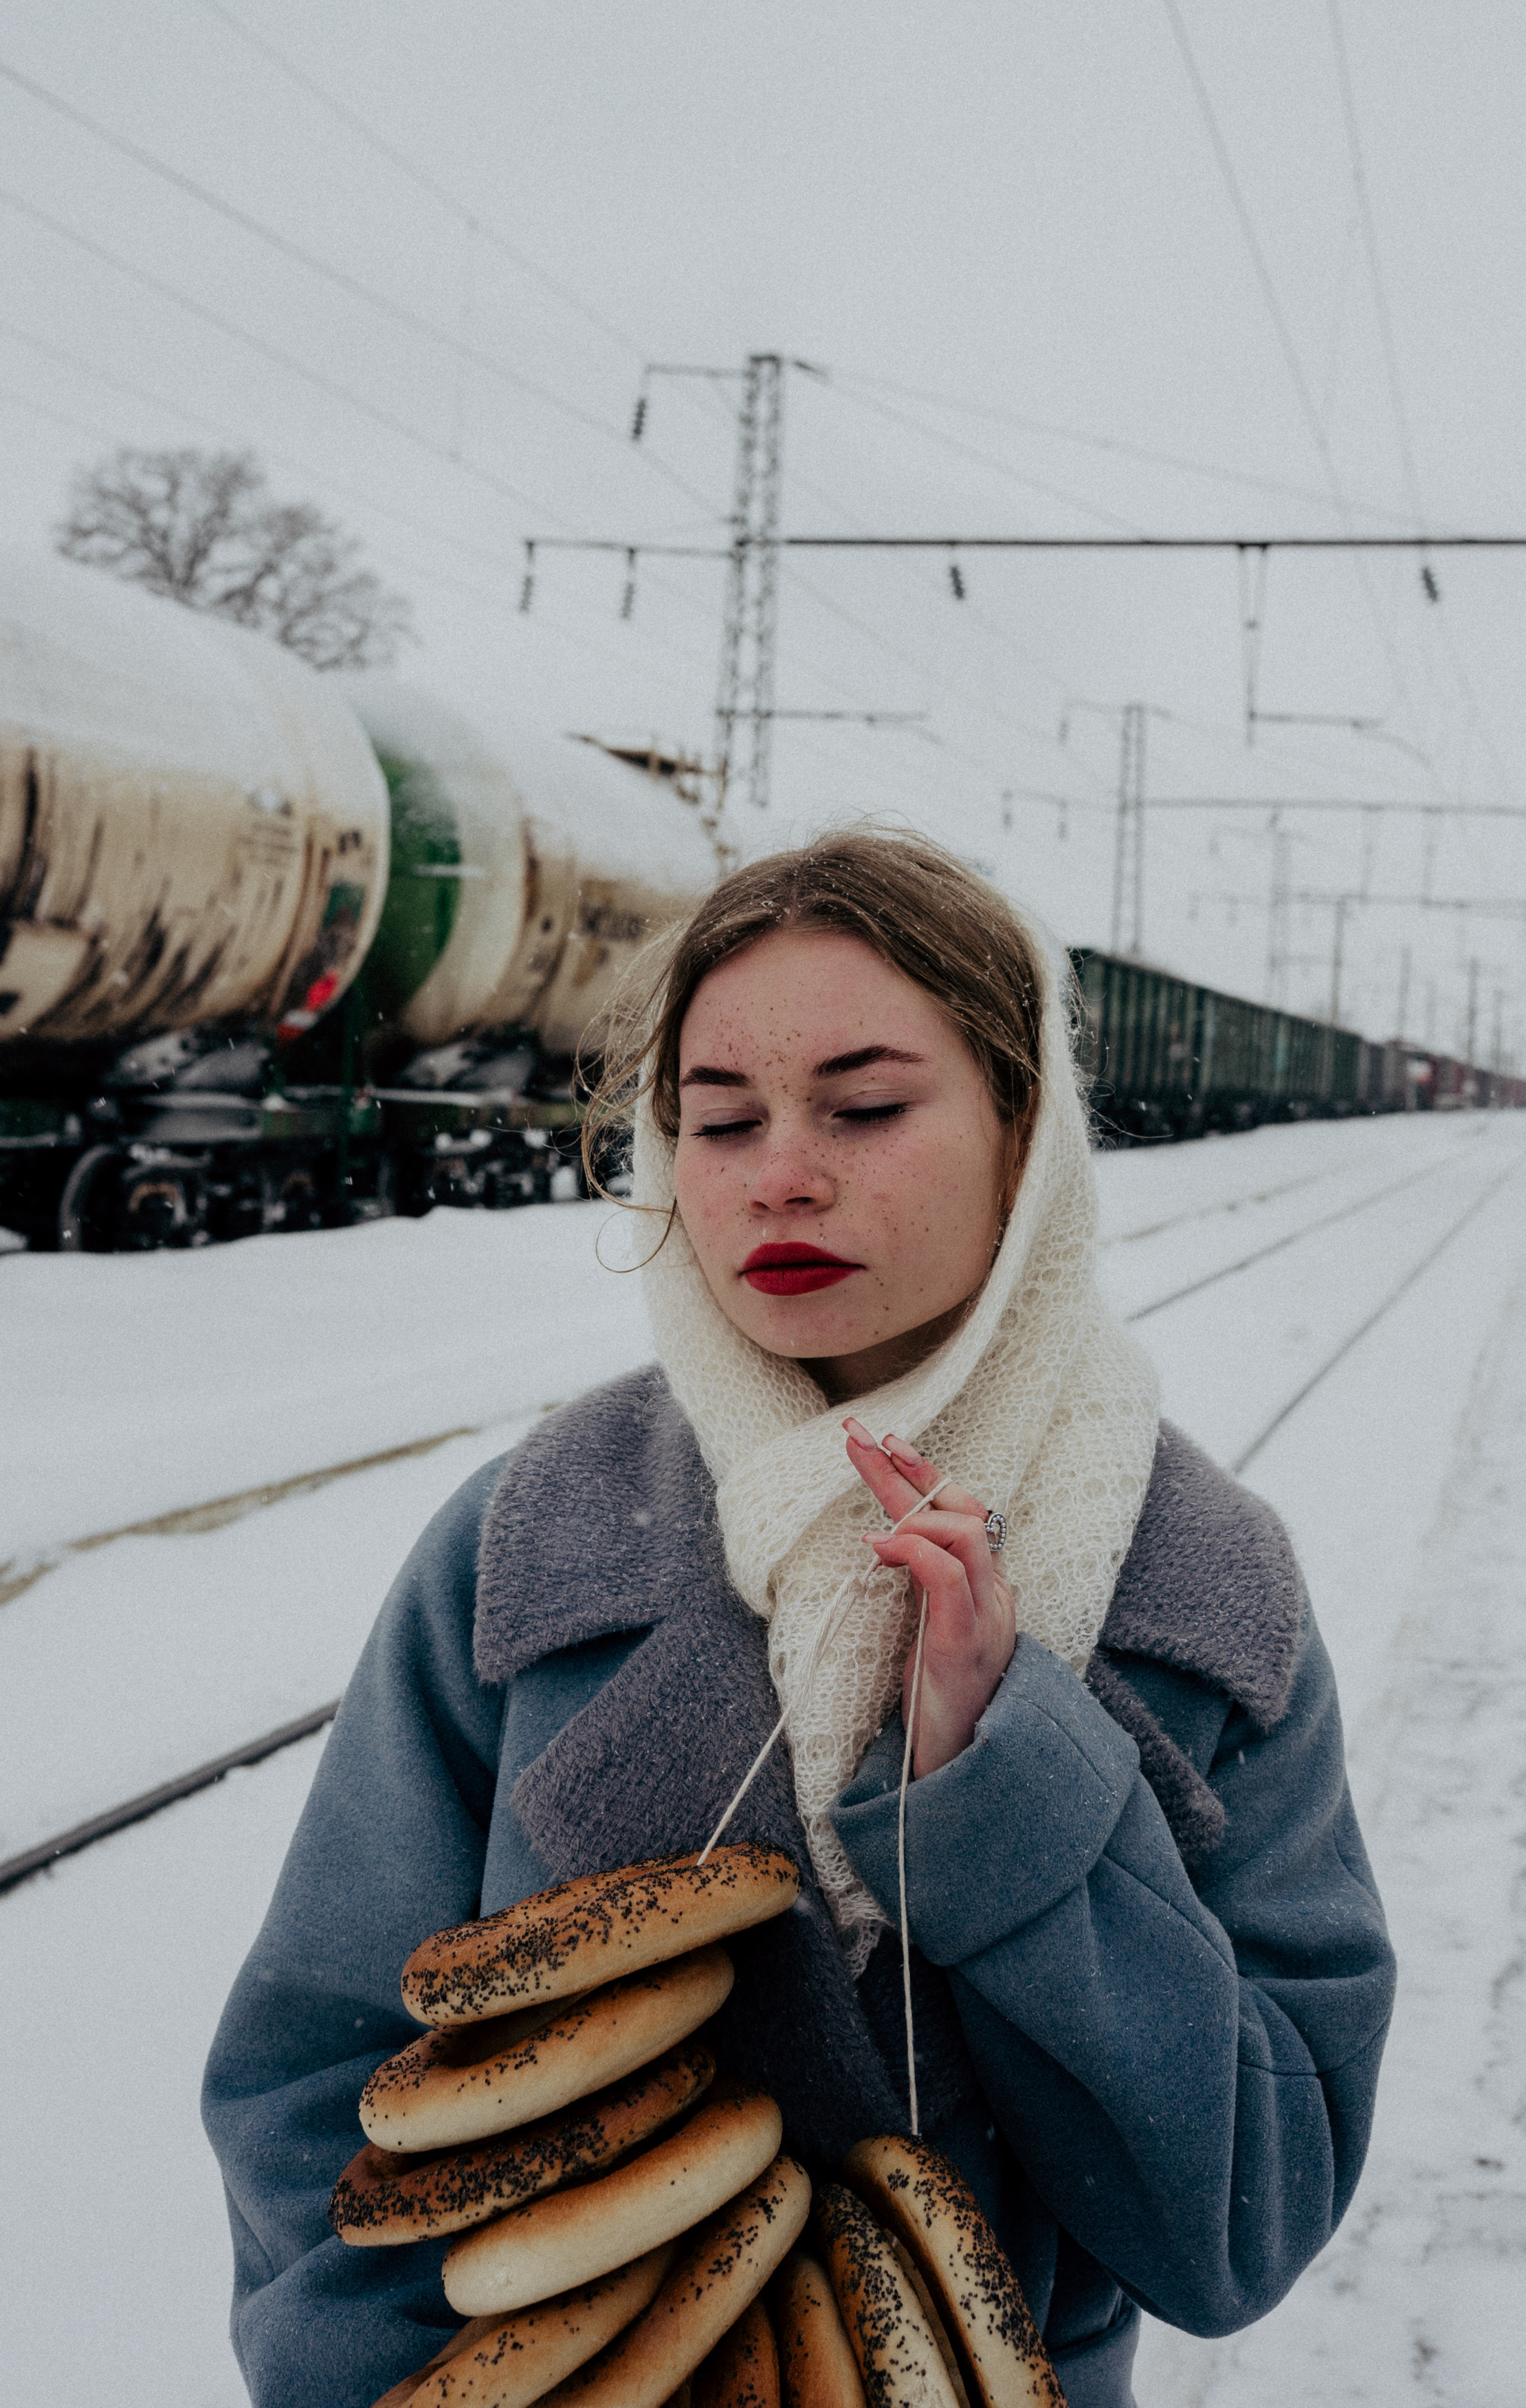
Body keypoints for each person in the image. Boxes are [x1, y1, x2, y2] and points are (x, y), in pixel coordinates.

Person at [203, 831, 1395, 2408]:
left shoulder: (1199, 1594)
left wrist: (1003, 1783)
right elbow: (316, 2084)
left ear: (1021, 1127)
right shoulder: (528, 1544)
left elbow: (1238, 2222)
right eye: (717, 1117)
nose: (777, 1170)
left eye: (864, 1105)